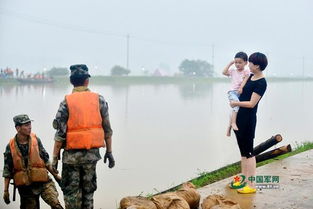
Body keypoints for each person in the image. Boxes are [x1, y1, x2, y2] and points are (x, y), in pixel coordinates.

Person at [51, 64, 115, 209]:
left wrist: (54, 159)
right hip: (91, 158)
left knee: (72, 194)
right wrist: (109, 152)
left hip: (71, 159)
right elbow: (108, 130)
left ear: (71, 81)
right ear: (87, 80)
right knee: (88, 193)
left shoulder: (66, 103)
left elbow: (60, 135)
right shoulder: (99, 100)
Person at [2, 114, 63, 209]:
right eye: (26, 125)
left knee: (56, 205)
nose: (30, 127)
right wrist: (6, 190)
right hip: (26, 188)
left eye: (29, 124)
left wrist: (56, 176)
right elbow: (7, 170)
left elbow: (46, 160)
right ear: (18, 128)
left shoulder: (36, 140)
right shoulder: (10, 146)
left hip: (44, 183)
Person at [229, 52, 268, 194]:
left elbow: (252, 103)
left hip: (248, 120)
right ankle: (243, 181)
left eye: (250, 62)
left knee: (249, 153)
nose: (248, 64)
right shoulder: (251, 76)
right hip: (239, 118)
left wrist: (235, 103)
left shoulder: (261, 82)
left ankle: (251, 185)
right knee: (243, 152)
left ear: (257, 65)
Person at [223, 52, 250, 136]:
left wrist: (241, 87)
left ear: (246, 63)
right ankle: (233, 123)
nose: (237, 64)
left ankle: (229, 127)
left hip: (239, 92)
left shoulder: (246, 71)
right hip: (232, 92)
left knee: (234, 109)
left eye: (240, 62)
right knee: (236, 106)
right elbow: (224, 72)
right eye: (236, 62)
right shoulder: (233, 71)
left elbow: (245, 80)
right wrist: (230, 63)